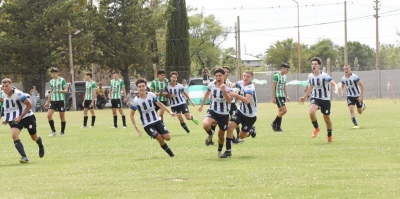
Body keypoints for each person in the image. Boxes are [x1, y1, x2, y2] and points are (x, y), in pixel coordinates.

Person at [0, 78, 44, 163]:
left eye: (7, 86)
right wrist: (6, 119)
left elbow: (29, 105)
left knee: (34, 137)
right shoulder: (3, 95)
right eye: (3, 86)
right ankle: (24, 157)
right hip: (15, 118)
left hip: (27, 116)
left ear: (11, 85)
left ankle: (41, 145)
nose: (5, 88)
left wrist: (21, 116)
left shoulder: (18, 94)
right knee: (14, 135)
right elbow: (7, 108)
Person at [130, 78, 176, 157]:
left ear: (146, 86)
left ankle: (155, 134)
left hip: (157, 120)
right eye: (139, 87)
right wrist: (136, 127)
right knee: (160, 139)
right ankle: (171, 155)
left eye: (143, 86)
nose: (141, 88)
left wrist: (170, 112)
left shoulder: (151, 95)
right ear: (137, 88)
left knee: (168, 137)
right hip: (147, 124)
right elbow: (131, 115)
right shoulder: (135, 101)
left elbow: (159, 104)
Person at [298, 57, 338, 142]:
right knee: (311, 112)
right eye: (312, 64)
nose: (314, 65)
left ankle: (329, 136)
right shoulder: (310, 76)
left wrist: (336, 89)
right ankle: (316, 128)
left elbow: (334, 84)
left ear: (319, 66)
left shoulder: (324, 76)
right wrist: (304, 97)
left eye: (315, 64)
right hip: (315, 97)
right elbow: (310, 88)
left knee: (326, 118)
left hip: (325, 99)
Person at [220, 71, 258, 158]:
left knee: (241, 136)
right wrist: (227, 85)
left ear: (251, 78)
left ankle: (251, 131)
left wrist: (235, 94)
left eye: (248, 76)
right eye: (244, 76)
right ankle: (228, 151)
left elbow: (247, 101)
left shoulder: (250, 88)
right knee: (230, 127)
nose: (245, 78)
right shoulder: (241, 83)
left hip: (250, 115)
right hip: (240, 111)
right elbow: (232, 85)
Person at [198, 68, 232, 157]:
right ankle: (210, 134)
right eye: (216, 76)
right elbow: (207, 93)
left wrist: (224, 91)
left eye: (220, 75)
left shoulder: (228, 86)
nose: (218, 77)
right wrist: (202, 105)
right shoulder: (211, 84)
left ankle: (219, 151)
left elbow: (229, 101)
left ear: (224, 76)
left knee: (221, 135)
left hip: (224, 113)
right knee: (205, 124)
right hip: (213, 110)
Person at [222, 66, 247, 144]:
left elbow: (236, 92)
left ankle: (237, 137)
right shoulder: (218, 81)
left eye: (227, 72)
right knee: (224, 122)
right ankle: (232, 138)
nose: (226, 73)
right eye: (224, 71)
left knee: (235, 120)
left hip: (231, 104)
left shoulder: (229, 82)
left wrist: (235, 100)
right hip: (223, 105)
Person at [341, 64, 366, 128]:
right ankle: (356, 124)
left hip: (357, 95)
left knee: (360, 112)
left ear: (350, 69)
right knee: (351, 110)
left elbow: (362, 85)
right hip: (350, 96)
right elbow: (342, 85)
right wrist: (342, 91)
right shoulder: (343, 78)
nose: (346, 70)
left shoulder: (355, 77)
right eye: (344, 69)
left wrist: (361, 96)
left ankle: (363, 106)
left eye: (347, 69)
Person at [45, 67, 68, 136]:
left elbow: (66, 90)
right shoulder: (51, 81)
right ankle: (53, 131)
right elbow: (51, 92)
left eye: (54, 73)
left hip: (60, 100)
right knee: (49, 115)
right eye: (52, 74)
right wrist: (48, 101)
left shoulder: (62, 80)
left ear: (57, 73)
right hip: (53, 101)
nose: (53, 75)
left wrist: (62, 91)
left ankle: (62, 132)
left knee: (61, 116)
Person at [271, 63, 290, 131]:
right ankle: (274, 123)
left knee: (280, 111)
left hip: (282, 95)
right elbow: (273, 86)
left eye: (288, 69)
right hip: (278, 95)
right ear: (282, 68)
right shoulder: (276, 76)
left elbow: (284, 86)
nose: (287, 71)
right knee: (284, 110)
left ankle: (278, 127)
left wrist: (287, 95)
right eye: (286, 69)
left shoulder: (284, 76)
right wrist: (273, 97)